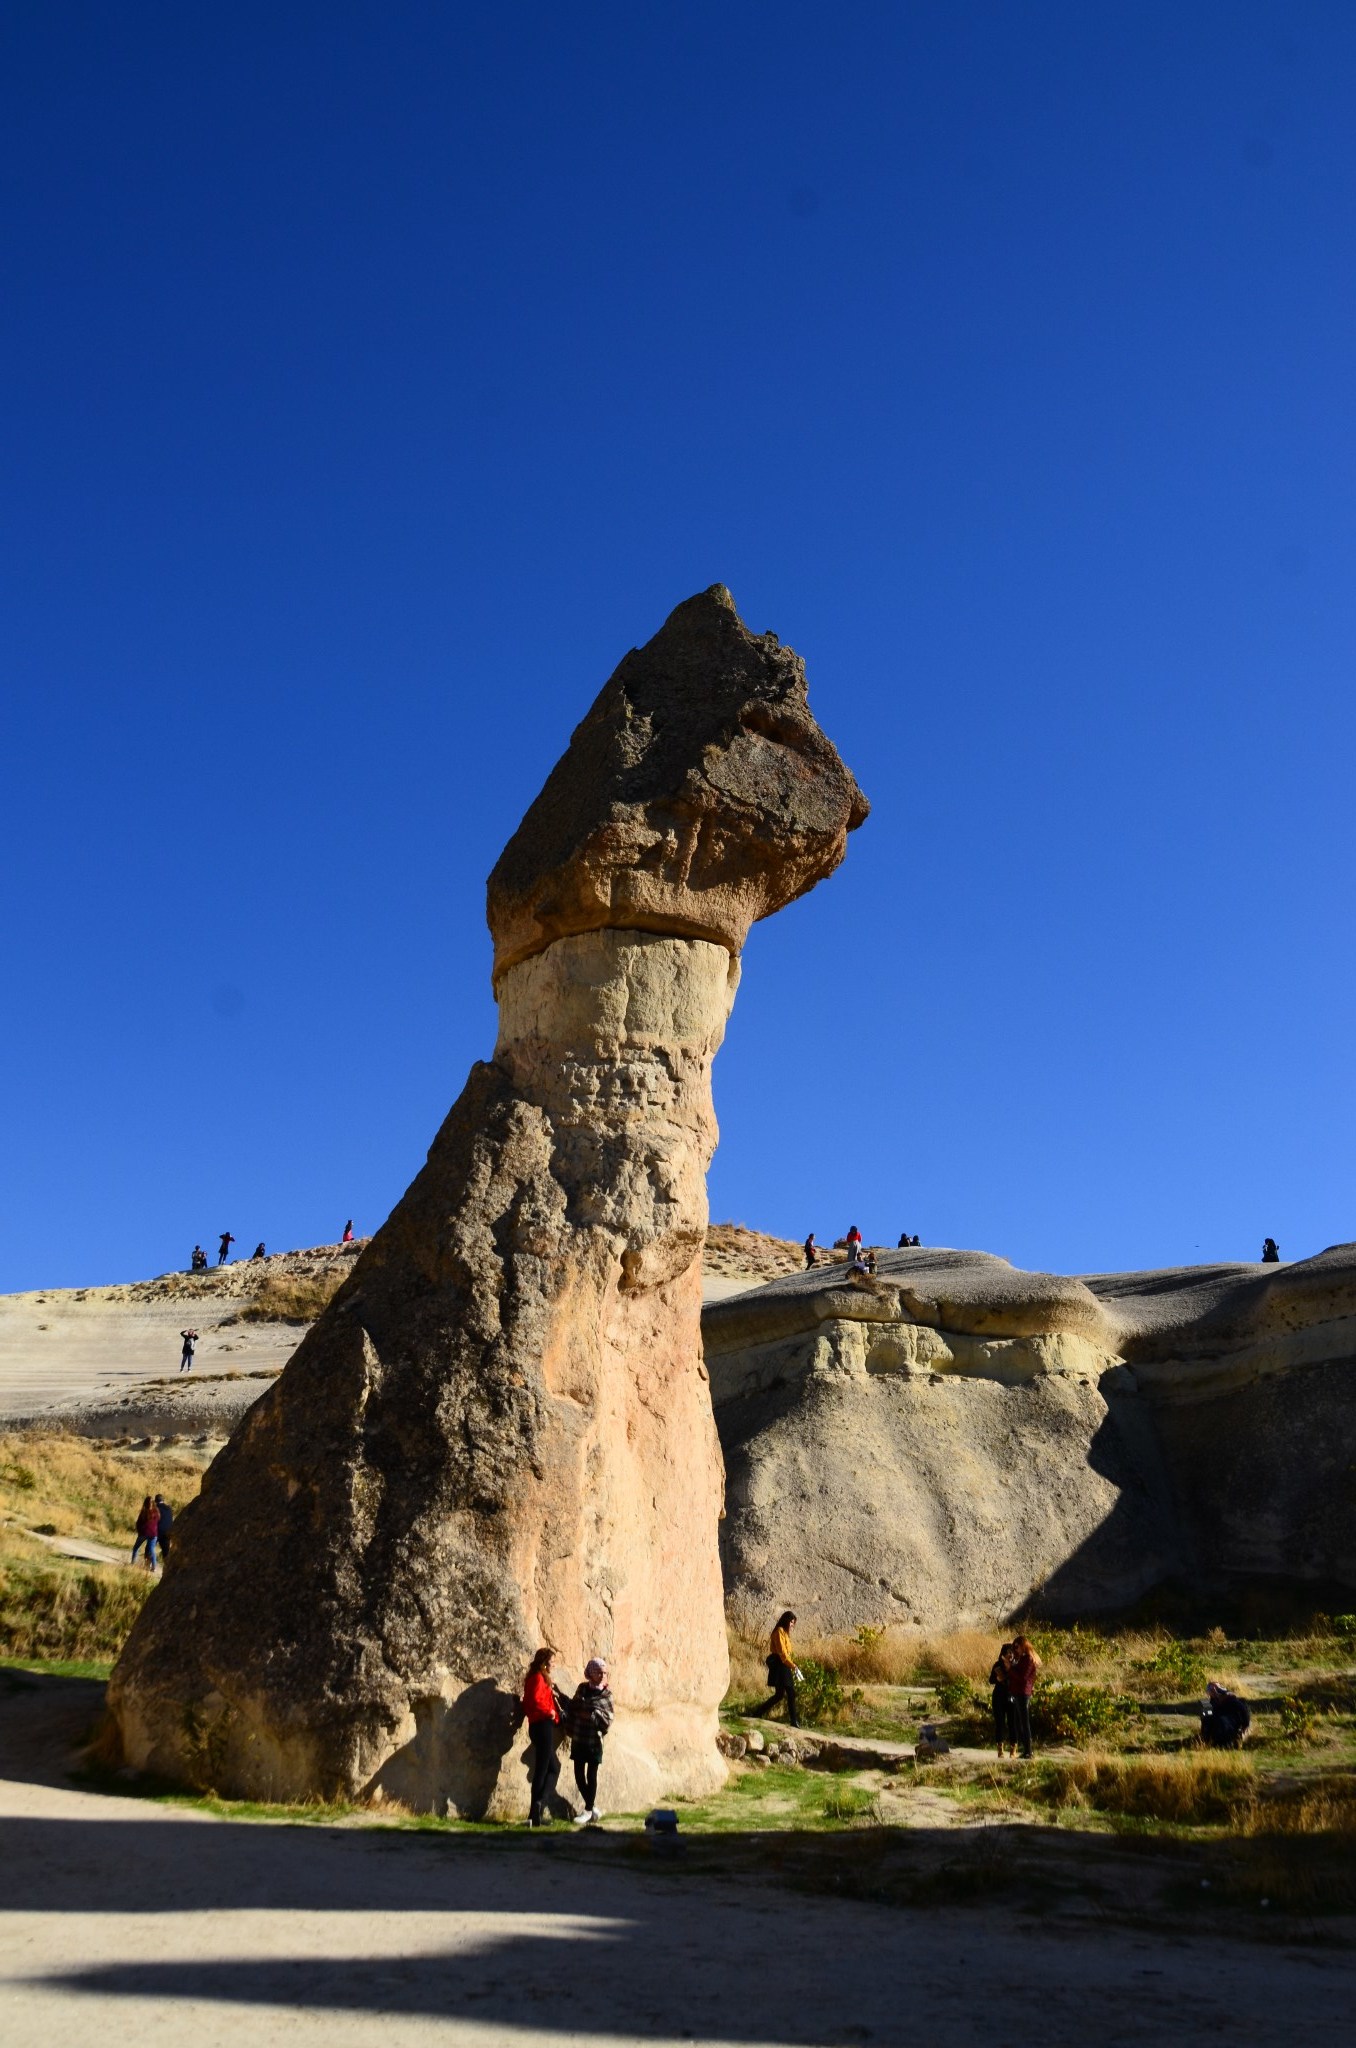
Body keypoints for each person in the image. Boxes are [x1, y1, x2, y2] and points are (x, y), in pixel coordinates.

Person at [568, 1657, 615, 1823]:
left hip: (594, 1741)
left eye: (604, 1673)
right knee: (579, 1774)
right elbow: (574, 1705)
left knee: (592, 1775)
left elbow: (608, 1719)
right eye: (599, 1672)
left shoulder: (607, 1695)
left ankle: (587, 1810)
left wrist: (591, 1715)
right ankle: (592, 1807)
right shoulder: (582, 1689)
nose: (602, 1675)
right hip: (579, 1737)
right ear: (591, 1673)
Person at [521, 1646, 564, 1825]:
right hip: (543, 1725)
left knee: (550, 1767)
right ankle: (537, 1806)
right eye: (552, 1662)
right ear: (544, 1663)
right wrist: (551, 1713)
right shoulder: (538, 1678)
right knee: (545, 1769)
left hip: (538, 1726)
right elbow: (536, 1702)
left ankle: (535, 1814)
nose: (554, 1665)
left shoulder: (537, 1677)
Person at [751, 1611, 801, 1726]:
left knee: (779, 1695)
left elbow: (787, 1652)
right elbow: (782, 1653)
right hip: (780, 1664)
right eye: (791, 1622)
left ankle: (758, 1712)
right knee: (790, 1692)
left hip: (784, 1664)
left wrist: (791, 1664)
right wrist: (793, 1665)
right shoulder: (779, 1632)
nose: (792, 1625)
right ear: (786, 1621)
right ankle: (794, 1721)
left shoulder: (785, 1633)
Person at [1006, 1634, 1040, 1758]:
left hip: (1023, 1692)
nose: (1015, 1649)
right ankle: (1025, 1750)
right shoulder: (1022, 1658)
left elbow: (1023, 1677)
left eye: (1016, 1647)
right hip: (1018, 1692)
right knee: (1018, 1722)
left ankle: (1029, 1750)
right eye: (1013, 1647)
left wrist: (1010, 1669)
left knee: (1024, 1723)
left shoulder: (1028, 1659)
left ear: (1023, 1646)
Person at [1200, 1681, 1251, 1748]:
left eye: (1213, 1690)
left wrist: (1245, 1726)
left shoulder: (1231, 1700)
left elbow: (1244, 1712)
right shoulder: (1208, 1703)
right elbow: (1204, 1720)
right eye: (1210, 1691)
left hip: (1228, 1727)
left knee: (1221, 1722)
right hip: (1216, 1728)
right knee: (1209, 1717)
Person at [989, 1643, 1016, 1757]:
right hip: (999, 1697)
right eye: (1008, 1652)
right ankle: (1000, 1749)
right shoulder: (998, 1664)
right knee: (1000, 1723)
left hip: (1012, 1696)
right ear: (1003, 1654)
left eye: (1012, 1652)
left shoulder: (1015, 1665)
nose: (1010, 1655)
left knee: (1012, 1723)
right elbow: (990, 1680)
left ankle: (1013, 1748)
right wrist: (997, 1678)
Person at [131, 1496, 159, 1570]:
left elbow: (138, 1523)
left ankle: (133, 1563)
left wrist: (139, 1531)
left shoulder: (144, 1512)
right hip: (154, 1534)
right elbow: (157, 1522)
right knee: (152, 1549)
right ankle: (154, 1566)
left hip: (144, 1533)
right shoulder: (156, 1512)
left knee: (136, 1548)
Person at [154, 1494, 174, 1562]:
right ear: (163, 1500)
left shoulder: (156, 1508)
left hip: (158, 1531)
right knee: (166, 1551)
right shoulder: (169, 1508)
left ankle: (148, 1564)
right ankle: (167, 1566)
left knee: (150, 1547)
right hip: (168, 1531)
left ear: (155, 1501)